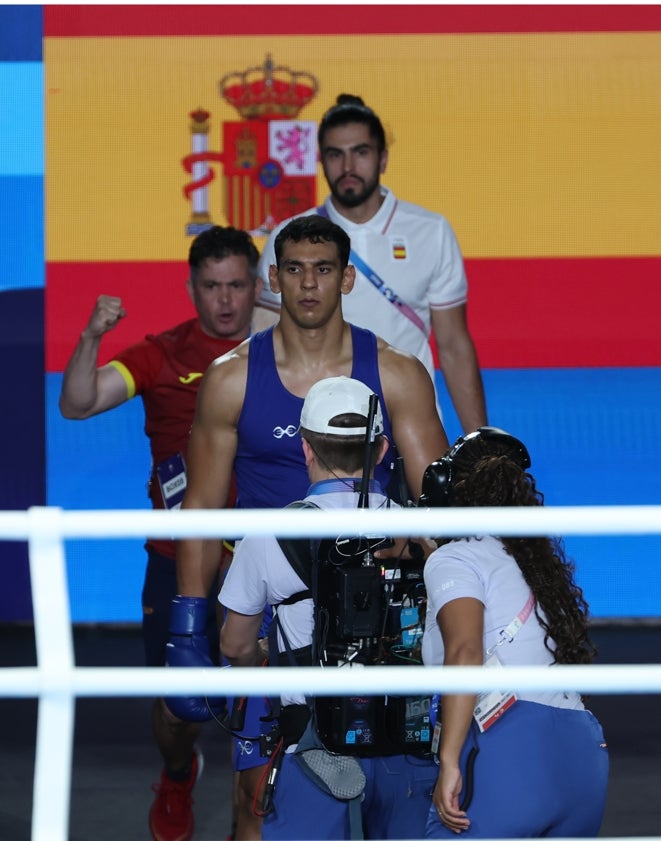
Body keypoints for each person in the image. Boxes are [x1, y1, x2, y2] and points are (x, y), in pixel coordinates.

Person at [174, 214, 449, 838]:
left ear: (347, 278)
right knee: (256, 802)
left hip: (375, 624)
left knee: (397, 801)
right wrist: (188, 627)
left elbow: (443, 506)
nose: (308, 285)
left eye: (323, 269)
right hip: (271, 617)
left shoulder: (398, 372)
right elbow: (202, 508)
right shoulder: (232, 378)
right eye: (294, 269)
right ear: (274, 277)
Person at [58, 225, 261, 841]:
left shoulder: (287, 351)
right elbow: (79, 402)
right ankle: (178, 773)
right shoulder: (161, 353)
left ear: (256, 286)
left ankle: (245, 821)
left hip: (262, 556)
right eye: (211, 287)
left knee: (260, 701)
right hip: (178, 556)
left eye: (236, 285)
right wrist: (92, 336)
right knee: (176, 710)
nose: (224, 300)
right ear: (191, 289)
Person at [219, 375, 437, 839]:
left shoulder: (266, 537)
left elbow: (234, 645)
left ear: (306, 449)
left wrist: (265, 650)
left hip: (314, 755)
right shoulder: (424, 537)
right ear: (380, 451)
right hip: (411, 754)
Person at [257, 93, 488, 434]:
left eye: (360, 152)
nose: (348, 167)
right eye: (336, 155)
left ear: (383, 158)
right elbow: (264, 342)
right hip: (316, 435)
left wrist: (479, 441)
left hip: (411, 427)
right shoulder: (289, 238)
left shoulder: (430, 231)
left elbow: (453, 346)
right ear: (321, 160)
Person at [419, 427, 609, 838]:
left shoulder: (453, 558)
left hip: (508, 747)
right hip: (583, 753)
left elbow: (466, 650)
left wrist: (449, 760)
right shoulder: (534, 565)